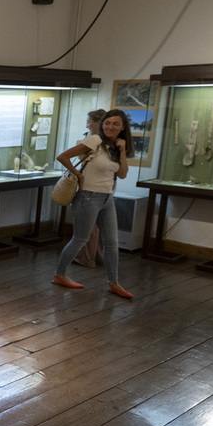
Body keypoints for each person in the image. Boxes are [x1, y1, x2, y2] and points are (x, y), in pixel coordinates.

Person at [52, 109, 135, 298]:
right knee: (80, 239)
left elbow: (122, 174)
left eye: (115, 124)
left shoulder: (117, 147)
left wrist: (122, 150)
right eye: (107, 123)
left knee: (112, 243)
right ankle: (60, 274)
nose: (110, 127)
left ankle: (113, 282)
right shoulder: (94, 141)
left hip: (107, 198)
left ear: (123, 127)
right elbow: (63, 157)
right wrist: (79, 175)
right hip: (88, 196)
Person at [74, 109, 106, 268]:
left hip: (90, 186)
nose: (87, 124)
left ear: (97, 123)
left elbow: (66, 156)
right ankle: (97, 256)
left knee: (88, 224)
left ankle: (86, 257)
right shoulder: (107, 140)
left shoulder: (94, 140)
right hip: (102, 186)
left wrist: (78, 176)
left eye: (89, 122)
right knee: (95, 224)